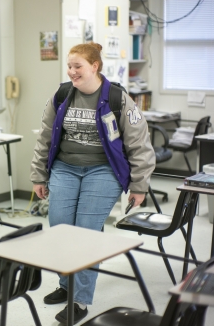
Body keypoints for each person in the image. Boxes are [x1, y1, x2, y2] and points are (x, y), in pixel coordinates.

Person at [30, 42, 155, 324]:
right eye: (69, 66)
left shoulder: (117, 98)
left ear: (94, 67)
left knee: (86, 234)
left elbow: (139, 144)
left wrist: (139, 185)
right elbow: (45, 138)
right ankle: (66, 284)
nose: (72, 71)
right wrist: (39, 174)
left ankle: (80, 298)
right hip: (65, 167)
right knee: (61, 228)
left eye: (78, 67)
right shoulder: (62, 95)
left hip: (103, 170)